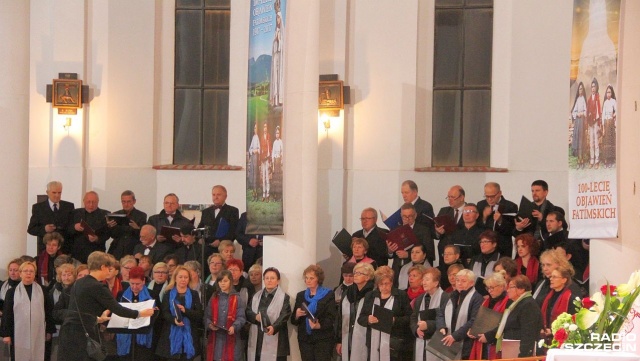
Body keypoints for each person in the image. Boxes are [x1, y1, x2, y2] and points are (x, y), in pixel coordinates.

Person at [57, 251, 155, 361]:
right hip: (83, 336)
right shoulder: (98, 286)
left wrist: (98, 319)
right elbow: (117, 309)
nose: (109, 272)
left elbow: (80, 310)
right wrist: (140, 313)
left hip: (68, 333)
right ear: (103, 267)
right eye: (108, 268)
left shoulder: (79, 282)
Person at [0, 261, 53, 361]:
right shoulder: (12, 292)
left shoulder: (43, 290)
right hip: (17, 333)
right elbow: (7, 313)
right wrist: (6, 334)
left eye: (31, 271)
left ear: (34, 274)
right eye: (25, 271)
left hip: (39, 332)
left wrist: (49, 330)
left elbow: (48, 310)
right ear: (20, 273)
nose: (28, 273)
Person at [358, 266, 412, 361]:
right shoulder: (370, 296)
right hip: (374, 340)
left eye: (386, 283)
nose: (384, 287)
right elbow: (361, 318)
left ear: (392, 283)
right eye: (381, 284)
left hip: (393, 340)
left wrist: (395, 320)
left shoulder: (400, 296)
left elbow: (409, 317)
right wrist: (368, 319)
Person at [155, 265, 203, 360]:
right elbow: (165, 313)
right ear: (175, 278)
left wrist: (186, 311)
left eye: (186, 277)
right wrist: (174, 320)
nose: (183, 279)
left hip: (190, 334)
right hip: (170, 335)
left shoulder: (194, 294)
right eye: (180, 277)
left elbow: (199, 314)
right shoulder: (168, 293)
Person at [291, 265, 336, 361]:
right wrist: (296, 315)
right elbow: (293, 321)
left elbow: (331, 317)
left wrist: (319, 325)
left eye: (311, 278)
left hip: (323, 338)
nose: (308, 280)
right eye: (306, 278)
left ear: (318, 279)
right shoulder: (301, 295)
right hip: (305, 338)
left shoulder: (328, 294)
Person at [435, 269, 483, 360]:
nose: (459, 283)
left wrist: (455, 336)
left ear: (472, 283)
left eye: (463, 281)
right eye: (457, 280)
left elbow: (474, 320)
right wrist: (441, 327)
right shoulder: (451, 295)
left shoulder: (477, 298)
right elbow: (440, 313)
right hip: (447, 339)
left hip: (465, 342)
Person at [246, 267, 291, 361]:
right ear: (263, 280)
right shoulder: (256, 296)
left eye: (272, 278)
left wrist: (274, 327)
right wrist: (255, 317)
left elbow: (285, 315)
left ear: (278, 281)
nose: (269, 280)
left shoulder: (284, 297)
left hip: (276, 338)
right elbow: (248, 311)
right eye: (267, 278)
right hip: (258, 337)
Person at [495, 275, 543, 357]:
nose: (507, 290)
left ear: (521, 289)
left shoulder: (528, 305)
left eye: (511, 287)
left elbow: (528, 333)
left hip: (521, 352)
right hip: (511, 349)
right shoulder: (516, 304)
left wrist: (523, 356)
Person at [115, 266, 156, 360]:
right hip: (125, 333)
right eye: (132, 283)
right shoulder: (121, 294)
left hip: (143, 334)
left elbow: (157, 316)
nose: (134, 287)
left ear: (143, 281)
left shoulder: (152, 294)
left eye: (138, 284)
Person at [204, 270, 246, 361]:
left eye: (225, 281)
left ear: (230, 281)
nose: (222, 283)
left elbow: (241, 317)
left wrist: (234, 326)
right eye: (220, 281)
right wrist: (210, 324)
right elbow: (207, 315)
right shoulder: (214, 297)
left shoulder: (237, 298)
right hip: (215, 338)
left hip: (231, 339)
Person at [335, 262, 374, 361]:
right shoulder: (348, 292)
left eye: (359, 273)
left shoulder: (373, 294)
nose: (355, 275)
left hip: (367, 339)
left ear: (368, 277)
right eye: (355, 273)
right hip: (347, 337)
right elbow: (340, 318)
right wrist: (339, 340)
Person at [388, 203, 434, 286]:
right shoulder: (395, 230)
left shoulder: (424, 230)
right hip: (397, 268)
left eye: (410, 216)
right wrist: (390, 251)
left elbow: (429, 252)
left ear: (415, 215)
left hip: (416, 270)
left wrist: (408, 255)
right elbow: (389, 254)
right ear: (401, 216)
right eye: (404, 216)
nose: (407, 219)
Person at [467, 272, 509, 360]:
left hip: (496, 344)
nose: (489, 291)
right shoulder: (486, 301)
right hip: (482, 343)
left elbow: (506, 325)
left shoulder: (508, 302)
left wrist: (489, 336)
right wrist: (473, 330)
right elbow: (479, 321)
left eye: (492, 288)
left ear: (501, 286)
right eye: (488, 288)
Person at [410, 268, 449, 361]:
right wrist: (416, 329)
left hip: (438, 342)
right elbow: (413, 317)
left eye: (427, 279)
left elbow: (447, 321)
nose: (424, 282)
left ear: (436, 283)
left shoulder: (445, 297)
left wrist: (428, 325)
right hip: (420, 340)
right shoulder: (420, 298)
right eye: (423, 279)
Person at [27, 181, 75, 255]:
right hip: (45, 251)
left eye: (59, 193)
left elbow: (71, 227)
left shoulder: (69, 206)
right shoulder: (38, 208)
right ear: (47, 192)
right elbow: (31, 229)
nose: (57, 195)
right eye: (54, 192)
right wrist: (44, 229)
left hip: (64, 250)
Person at [477, 182, 519, 257]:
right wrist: (484, 217)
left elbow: (512, 230)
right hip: (485, 247)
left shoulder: (510, 206)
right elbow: (477, 227)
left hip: (502, 246)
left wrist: (500, 221)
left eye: (492, 196)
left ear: (499, 193)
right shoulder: (481, 205)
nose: (489, 199)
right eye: (487, 196)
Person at [198, 185, 240, 260]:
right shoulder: (206, 212)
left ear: (225, 196)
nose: (215, 197)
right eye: (213, 195)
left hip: (223, 250)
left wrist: (220, 241)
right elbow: (200, 227)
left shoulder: (232, 211)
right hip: (206, 249)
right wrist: (200, 238)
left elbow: (233, 231)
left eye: (218, 195)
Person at [69, 191, 110, 263]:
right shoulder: (75, 213)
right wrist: (74, 227)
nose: (91, 204)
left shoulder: (105, 214)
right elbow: (67, 229)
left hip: (96, 253)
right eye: (88, 202)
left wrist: (97, 238)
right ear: (84, 201)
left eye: (94, 202)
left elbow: (108, 233)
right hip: (77, 253)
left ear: (98, 202)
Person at [107, 190, 148, 261]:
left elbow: (142, 236)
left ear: (134, 201)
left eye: (129, 201)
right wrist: (109, 227)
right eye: (123, 202)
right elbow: (113, 235)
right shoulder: (115, 214)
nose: (126, 204)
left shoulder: (141, 215)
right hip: (117, 249)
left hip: (133, 249)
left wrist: (137, 228)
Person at [540, 266, 579, 340]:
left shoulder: (571, 299)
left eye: (554, 277)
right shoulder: (547, 297)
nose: (551, 279)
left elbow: (572, 323)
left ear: (564, 280)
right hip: (547, 338)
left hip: (564, 340)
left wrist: (553, 331)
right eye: (551, 276)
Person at [48, 263, 75, 361]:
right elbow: (53, 311)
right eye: (64, 275)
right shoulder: (53, 290)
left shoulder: (76, 289)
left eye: (69, 275)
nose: (66, 277)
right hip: (58, 327)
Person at [434, 186, 467, 257]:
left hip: (463, 252)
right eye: (448, 197)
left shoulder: (470, 210)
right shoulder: (444, 211)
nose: (450, 200)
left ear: (461, 198)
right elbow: (436, 235)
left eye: (452, 197)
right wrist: (438, 232)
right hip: (445, 252)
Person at [468, 230, 501, 296]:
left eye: (485, 242)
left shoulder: (500, 259)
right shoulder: (475, 259)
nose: (482, 244)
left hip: (493, 295)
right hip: (474, 295)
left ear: (494, 244)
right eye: (481, 242)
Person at [571, 82, 588, 169]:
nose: (580, 90)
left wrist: (582, 113)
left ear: (583, 90)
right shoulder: (577, 99)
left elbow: (586, 111)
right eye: (579, 89)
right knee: (577, 140)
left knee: (581, 141)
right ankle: (578, 160)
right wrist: (577, 114)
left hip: (582, 122)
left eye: (582, 89)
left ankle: (582, 161)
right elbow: (573, 111)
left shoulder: (583, 100)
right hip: (577, 122)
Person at [586, 77, 602, 169]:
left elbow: (599, 111)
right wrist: (589, 120)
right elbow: (588, 111)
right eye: (592, 86)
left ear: (596, 88)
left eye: (594, 86)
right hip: (591, 123)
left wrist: (599, 123)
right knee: (591, 142)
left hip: (596, 122)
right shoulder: (589, 100)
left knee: (596, 142)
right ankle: (591, 160)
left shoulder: (597, 98)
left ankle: (597, 160)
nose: (593, 88)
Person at [601, 84, 617, 168]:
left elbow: (617, 110)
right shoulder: (605, 102)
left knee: (611, 141)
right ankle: (606, 160)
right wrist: (603, 127)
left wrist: (614, 115)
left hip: (611, 122)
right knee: (606, 141)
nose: (608, 94)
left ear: (612, 93)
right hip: (606, 122)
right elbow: (603, 115)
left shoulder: (613, 101)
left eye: (609, 92)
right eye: (607, 92)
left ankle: (611, 160)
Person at [248, 123, 261, 201]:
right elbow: (250, 148)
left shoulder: (258, 137)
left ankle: (256, 192)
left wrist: (256, 151)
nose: (255, 129)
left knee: (255, 173)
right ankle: (253, 192)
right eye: (254, 128)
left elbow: (259, 149)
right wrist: (252, 151)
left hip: (256, 157)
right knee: (252, 173)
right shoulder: (253, 137)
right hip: (252, 156)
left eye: (256, 128)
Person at [271, 125, 284, 202]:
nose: (277, 135)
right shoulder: (274, 142)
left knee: (279, 178)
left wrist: (281, 162)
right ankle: (275, 195)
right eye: (276, 133)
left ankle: (279, 195)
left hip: (279, 160)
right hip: (275, 161)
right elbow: (272, 153)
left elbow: (282, 152)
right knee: (275, 178)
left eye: (278, 133)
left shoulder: (281, 142)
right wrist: (273, 164)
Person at [260, 123, 272, 201]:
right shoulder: (262, 137)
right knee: (263, 177)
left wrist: (269, 158)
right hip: (262, 159)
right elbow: (261, 148)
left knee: (267, 177)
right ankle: (263, 194)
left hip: (267, 159)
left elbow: (269, 147)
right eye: (264, 127)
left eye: (266, 127)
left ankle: (268, 194)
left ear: (267, 128)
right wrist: (261, 159)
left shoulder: (268, 136)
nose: (265, 128)